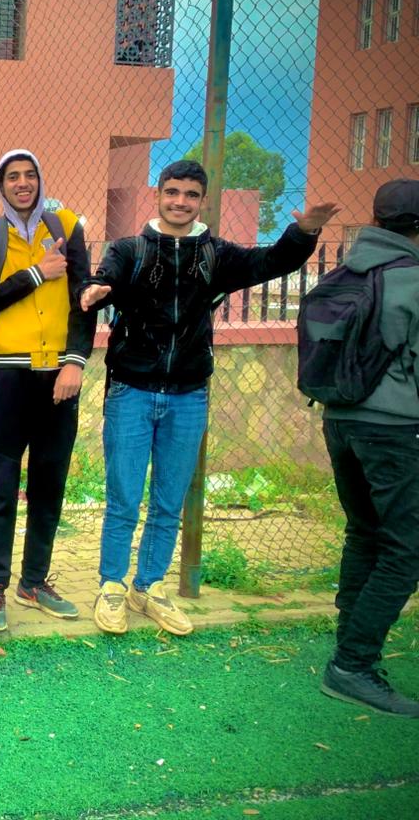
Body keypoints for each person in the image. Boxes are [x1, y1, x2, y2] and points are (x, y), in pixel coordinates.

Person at [81, 160, 339, 637]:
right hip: (131, 391)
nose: (180, 201)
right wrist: (94, 290)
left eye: (191, 194)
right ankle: (111, 586)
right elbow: (104, 278)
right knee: (123, 499)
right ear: (159, 195)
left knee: (168, 502)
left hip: (188, 396)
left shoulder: (216, 254)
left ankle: (148, 587)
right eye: (172, 192)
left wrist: (303, 232)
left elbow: (271, 262)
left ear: (202, 201)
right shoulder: (130, 249)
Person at [0, 149, 96, 633]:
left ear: (40, 180)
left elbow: (85, 297)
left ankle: (35, 581)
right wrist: (36, 274)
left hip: (60, 376)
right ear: (1, 185)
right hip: (9, 376)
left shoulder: (67, 227)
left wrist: (75, 361)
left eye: (30, 176)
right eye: (12, 177)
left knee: (49, 482)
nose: (22, 184)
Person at [314, 179, 419, 717]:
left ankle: (349, 650)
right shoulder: (411, 278)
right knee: (406, 550)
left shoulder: (347, 271)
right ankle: (353, 664)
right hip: (395, 429)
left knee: (364, 533)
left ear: (377, 219)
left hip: (340, 420)